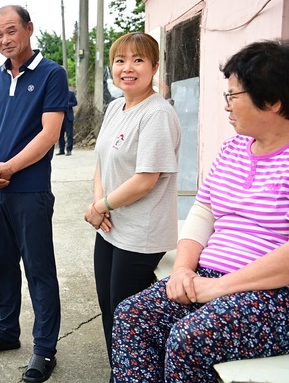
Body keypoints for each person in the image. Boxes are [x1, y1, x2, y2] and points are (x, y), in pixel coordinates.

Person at [111, 39, 289, 383]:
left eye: (233, 96)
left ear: (273, 101)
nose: (227, 107)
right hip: (208, 276)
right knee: (132, 315)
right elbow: (203, 211)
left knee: (189, 339)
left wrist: (218, 289)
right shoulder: (233, 147)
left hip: (272, 294)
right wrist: (181, 271)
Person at [0, 4, 68, 383]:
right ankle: (7, 331)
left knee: (39, 270)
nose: (4, 39)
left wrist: (9, 168)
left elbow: (49, 135)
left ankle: (45, 350)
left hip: (28, 189)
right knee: (2, 265)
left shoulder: (52, 74)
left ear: (29, 29)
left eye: (11, 31)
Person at [83, 32, 181, 380]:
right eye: (120, 60)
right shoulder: (115, 107)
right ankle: (120, 373)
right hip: (111, 228)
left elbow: (146, 178)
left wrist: (101, 205)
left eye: (138, 60)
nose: (128, 68)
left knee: (128, 318)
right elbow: (101, 161)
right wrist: (99, 203)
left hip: (141, 234)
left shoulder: (157, 114)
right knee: (109, 311)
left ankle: (130, 375)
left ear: (154, 67)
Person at [57, 90, 77, 156]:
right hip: (60, 117)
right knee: (60, 135)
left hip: (68, 117)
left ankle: (69, 150)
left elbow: (75, 103)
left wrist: (67, 104)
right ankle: (61, 149)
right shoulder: (58, 93)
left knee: (69, 135)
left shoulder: (71, 94)